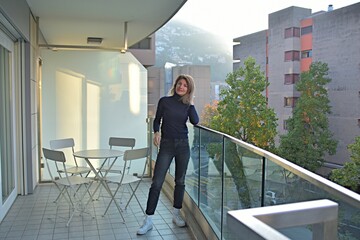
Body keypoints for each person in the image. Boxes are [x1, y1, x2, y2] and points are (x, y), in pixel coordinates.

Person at [137, 74, 199, 235]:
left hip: (183, 146)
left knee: (180, 181)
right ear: (175, 85)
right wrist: (156, 132)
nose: (181, 87)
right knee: (157, 182)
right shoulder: (165, 101)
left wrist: (191, 103)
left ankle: (176, 214)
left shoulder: (187, 105)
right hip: (166, 145)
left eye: (185, 85)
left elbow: (195, 121)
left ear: (189, 89)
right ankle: (148, 220)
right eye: (180, 84)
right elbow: (157, 120)